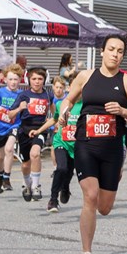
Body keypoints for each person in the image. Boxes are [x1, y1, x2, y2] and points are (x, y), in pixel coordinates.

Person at [58, 35, 127, 254]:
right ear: (102, 52)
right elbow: (68, 99)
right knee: (90, 196)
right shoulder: (86, 76)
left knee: (104, 207)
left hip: (112, 148)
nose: (115, 54)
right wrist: (64, 113)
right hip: (86, 143)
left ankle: (113, 176)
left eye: (120, 51)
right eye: (111, 49)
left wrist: (123, 111)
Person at [15, 67, 55, 201]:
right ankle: (27, 184)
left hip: (40, 129)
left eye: (40, 79)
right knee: (26, 163)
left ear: (45, 80)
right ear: (28, 80)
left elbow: (54, 111)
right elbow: (9, 114)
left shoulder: (48, 95)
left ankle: (36, 186)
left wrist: (54, 121)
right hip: (24, 130)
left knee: (35, 153)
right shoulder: (23, 95)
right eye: (34, 79)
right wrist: (19, 108)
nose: (37, 82)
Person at [0, 67, 26, 193]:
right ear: (5, 80)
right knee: (0, 157)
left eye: (16, 79)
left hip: (14, 125)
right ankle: (0, 175)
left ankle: (7, 179)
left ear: (20, 80)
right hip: (0, 127)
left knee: (9, 149)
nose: (13, 82)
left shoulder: (22, 94)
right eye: (10, 79)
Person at [43, 75, 75, 213]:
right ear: (70, 88)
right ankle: (53, 200)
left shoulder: (86, 106)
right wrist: (39, 130)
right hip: (61, 141)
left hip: (76, 144)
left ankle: (65, 187)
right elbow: (54, 119)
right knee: (61, 168)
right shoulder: (61, 104)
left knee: (69, 171)